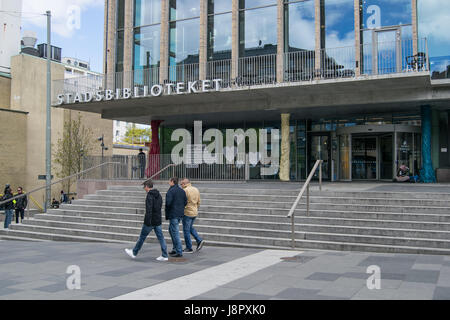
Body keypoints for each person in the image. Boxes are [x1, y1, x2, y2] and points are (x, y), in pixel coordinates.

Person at [125, 180, 168, 261]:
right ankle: (165, 255)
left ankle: (134, 252)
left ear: (147, 187)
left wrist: (147, 221)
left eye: (144, 187)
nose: (144, 188)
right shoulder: (158, 194)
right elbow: (159, 207)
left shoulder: (149, 195)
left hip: (150, 221)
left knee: (142, 237)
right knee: (161, 238)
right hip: (157, 220)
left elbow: (149, 210)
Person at [181, 178, 205, 253]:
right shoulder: (196, 189)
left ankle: (189, 247)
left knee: (186, 230)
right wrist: (196, 208)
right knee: (190, 228)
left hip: (187, 212)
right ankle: (199, 240)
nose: (181, 185)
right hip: (194, 211)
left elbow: (183, 202)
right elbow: (199, 201)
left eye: (181, 184)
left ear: (184, 184)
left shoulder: (185, 190)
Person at [165, 177, 187, 258]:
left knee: (175, 232)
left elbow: (168, 203)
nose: (168, 182)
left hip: (173, 214)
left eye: (169, 181)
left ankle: (179, 251)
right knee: (171, 230)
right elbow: (185, 201)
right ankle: (175, 249)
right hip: (179, 214)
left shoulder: (171, 191)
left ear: (172, 182)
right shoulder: (182, 190)